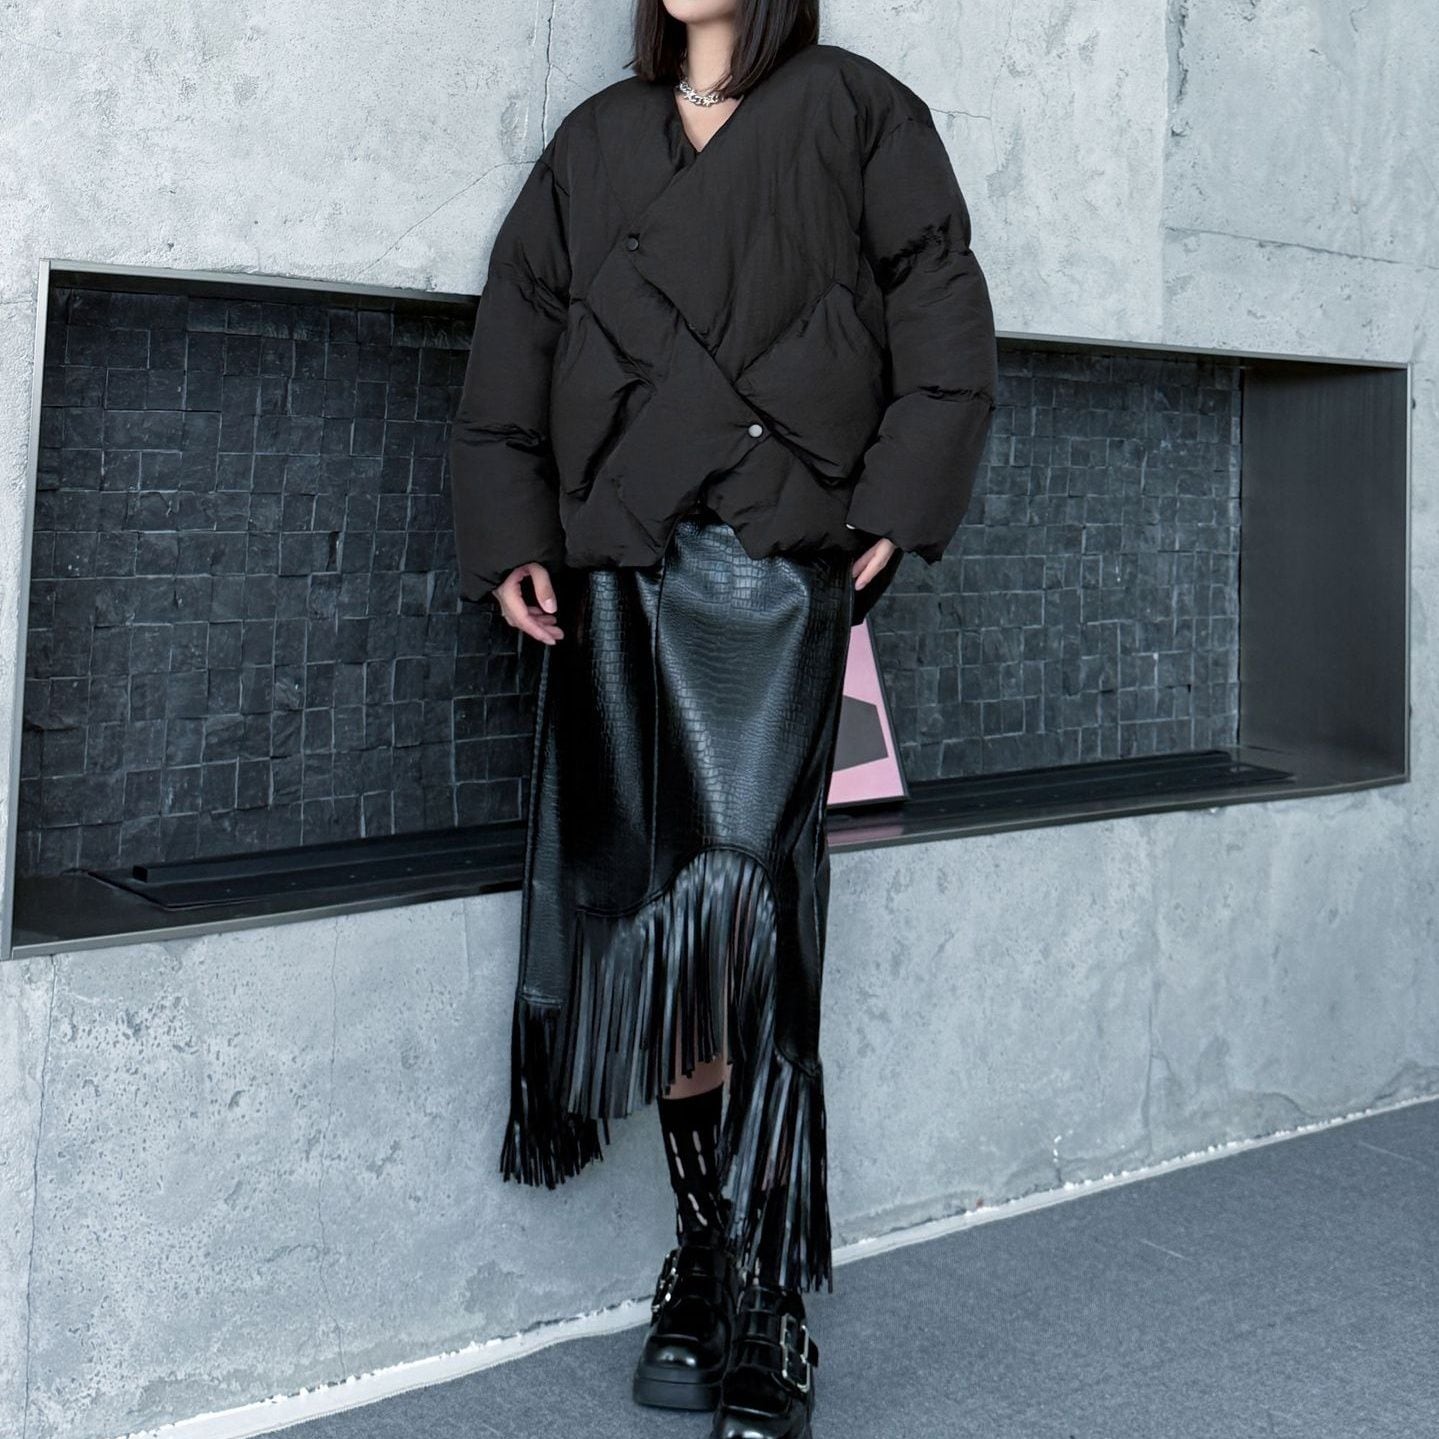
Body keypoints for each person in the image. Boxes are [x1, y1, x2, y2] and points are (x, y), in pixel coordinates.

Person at [447, 2, 998, 1434]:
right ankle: (703, 1252)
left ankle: (769, 1292)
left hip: (769, 572)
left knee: (750, 914)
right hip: (619, 570)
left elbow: (941, 301)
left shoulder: (856, 107)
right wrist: (512, 530)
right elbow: (520, 324)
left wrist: (897, 503)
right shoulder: (599, 138)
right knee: (664, 922)